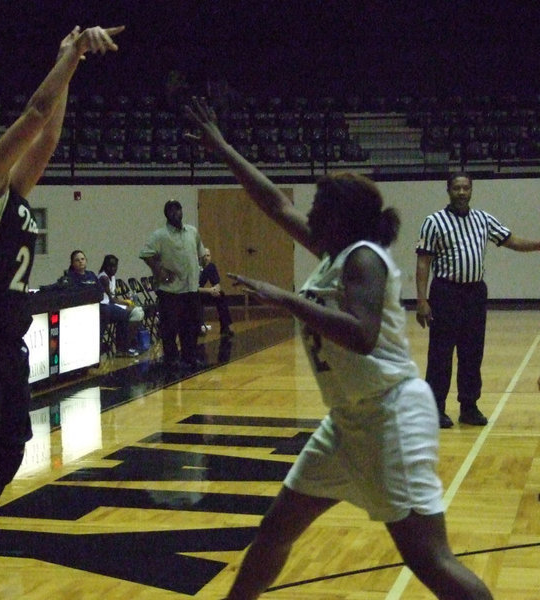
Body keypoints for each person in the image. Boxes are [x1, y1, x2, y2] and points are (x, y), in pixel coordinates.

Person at [185, 97, 492, 600]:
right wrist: (222, 148)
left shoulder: (364, 259)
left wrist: (285, 300)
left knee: (428, 558)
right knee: (276, 529)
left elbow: (361, 333)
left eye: (319, 207)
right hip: (347, 420)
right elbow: (273, 202)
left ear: (341, 218)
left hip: (390, 416)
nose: (307, 213)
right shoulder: (337, 252)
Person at [0, 24, 123, 600]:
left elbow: (48, 133)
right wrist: (69, 55)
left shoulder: (11, 190)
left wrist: (73, 69)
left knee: (12, 453)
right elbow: (36, 111)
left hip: (8, 344)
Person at [416, 172, 540, 429]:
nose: (461, 192)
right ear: (448, 190)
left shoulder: (483, 219)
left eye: (466, 188)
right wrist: (421, 300)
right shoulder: (433, 222)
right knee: (440, 354)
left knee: (472, 352)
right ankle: (435, 409)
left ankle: (469, 407)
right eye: (456, 188)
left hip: (474, 294)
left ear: (471, 190)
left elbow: (512, 240)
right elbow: (423, 262)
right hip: (445, 293)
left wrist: (539, 244)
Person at [140, 199, 206, 368]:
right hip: (170, 290)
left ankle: (189, 356)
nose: (176, 213)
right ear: (167, 214)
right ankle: (172, 358)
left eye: (178, 209)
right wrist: (159, 270)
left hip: (190, 288)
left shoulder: (192, 232)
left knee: (192, 325)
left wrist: (202, 265)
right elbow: (146, 254)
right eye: (171, 210)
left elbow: (201, 253)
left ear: (182, 211)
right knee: (170, 327)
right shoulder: (160, 235)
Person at [97, 254, 143, 357]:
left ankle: (127, 344)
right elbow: (112, 299)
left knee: (138, 311)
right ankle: (124, 347)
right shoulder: (103, 278)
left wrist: (126, 303)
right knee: (126, 314)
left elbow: (114, 298)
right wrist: (126, 303)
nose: (113, 269)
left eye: (115, 266)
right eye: (111, 266)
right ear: (106, 266)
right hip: (104, 306)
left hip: (110, 305)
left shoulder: (112, 277)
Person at [198, 247, 234, 337]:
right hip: (192, 294)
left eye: (208, 255)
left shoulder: (211, 267)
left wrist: (216, 290)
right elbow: (193, 288)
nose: (206, 258)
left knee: (220, 295)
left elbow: (217, 283)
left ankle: (225, 326)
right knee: (196, 298)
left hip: (203, 292)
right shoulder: (195, 268)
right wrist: (209, 290)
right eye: (204, 256)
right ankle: (198, 327)